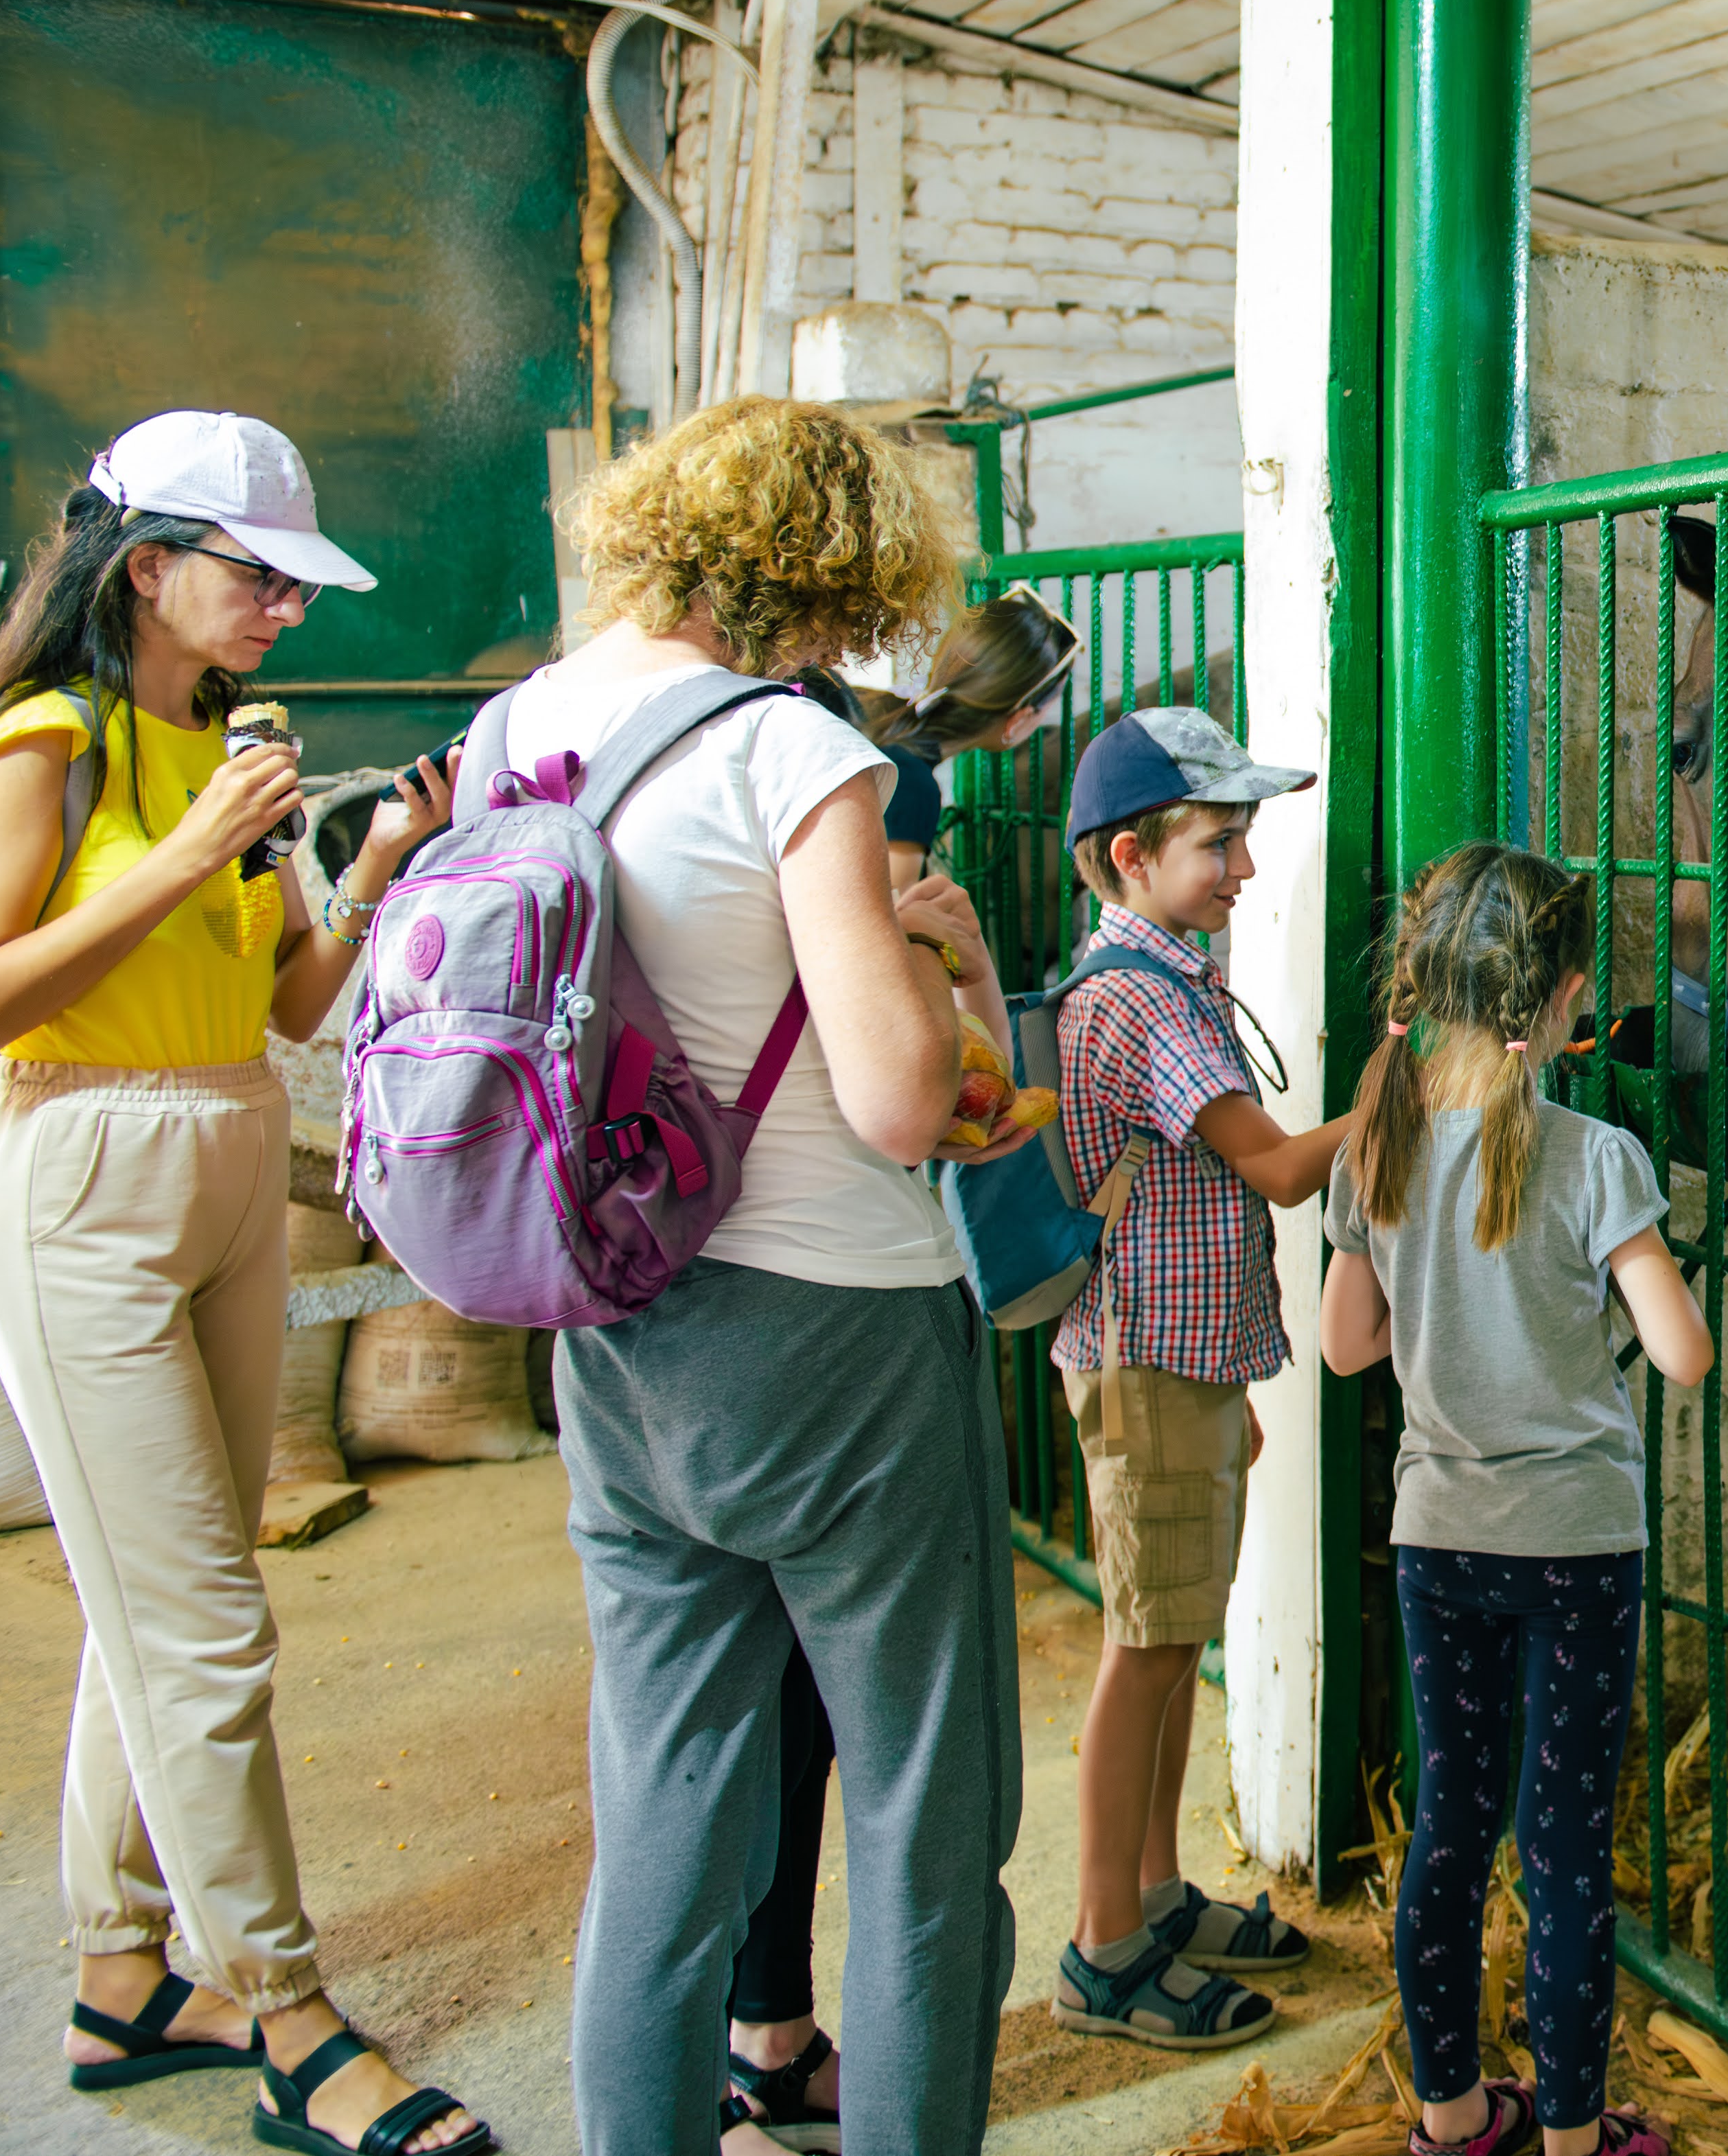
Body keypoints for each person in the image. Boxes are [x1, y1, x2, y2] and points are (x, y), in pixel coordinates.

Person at [0, 410, 485, 2155]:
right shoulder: (53, 739)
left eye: (292, 585)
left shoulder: (231, 744)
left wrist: (376, 864)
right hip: (83, 1167)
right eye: (259, 576)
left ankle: (121, 1974)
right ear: (146, 563)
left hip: (237, 1152)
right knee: (206, 1631)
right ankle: (290, 2014)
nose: (286, 612)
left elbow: (295, 1005)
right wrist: (185, 853)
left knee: (158, 1602)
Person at [524, 395, 1029, 2156]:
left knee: (662, 1799)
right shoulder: (791, 752)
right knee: (918, 1798)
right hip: (834, 1331)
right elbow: (900, 1097)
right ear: (834, 566)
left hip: (614, 1317)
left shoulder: (532, 712)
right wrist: (918, 972)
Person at [709, 587, 1080, 2152]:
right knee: (903, 1758)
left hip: (688, 1293)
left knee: (726, 1724)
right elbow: (929, 1094)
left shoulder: (664, 740)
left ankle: (752, 2041)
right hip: (844, 1287)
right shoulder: (875, 788)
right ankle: (781, 2046)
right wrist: (976, 1004)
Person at [1317, 842, 1713, 2156]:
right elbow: (1681, 1354)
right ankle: (1573, 2133)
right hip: (1577, 1548)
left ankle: (1448, 2114)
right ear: (1567, 998)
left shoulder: (1374, 1140)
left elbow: (1344, 1346)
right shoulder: (1594, 1153)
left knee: (1447, 1827)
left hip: (1440, 1540)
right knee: (1560, 1852)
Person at [1047, 706, 1352, 2049]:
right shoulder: (1139, 1000)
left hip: (1178, 1360)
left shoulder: (1163, 974)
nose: (1241, 867)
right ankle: (1103, 1943)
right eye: (1217, 843)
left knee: (1173, 1641)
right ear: (1126, 856)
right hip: (1149, 1363)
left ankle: (1158, 1894)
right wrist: (1409, 1084)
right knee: (1148, 1645)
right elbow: (1281, 1168)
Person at [850, 586, 1079, 892]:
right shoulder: (912, 786)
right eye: (1044, 712)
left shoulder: (856, 704)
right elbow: (880, 922)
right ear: (1019, 719)